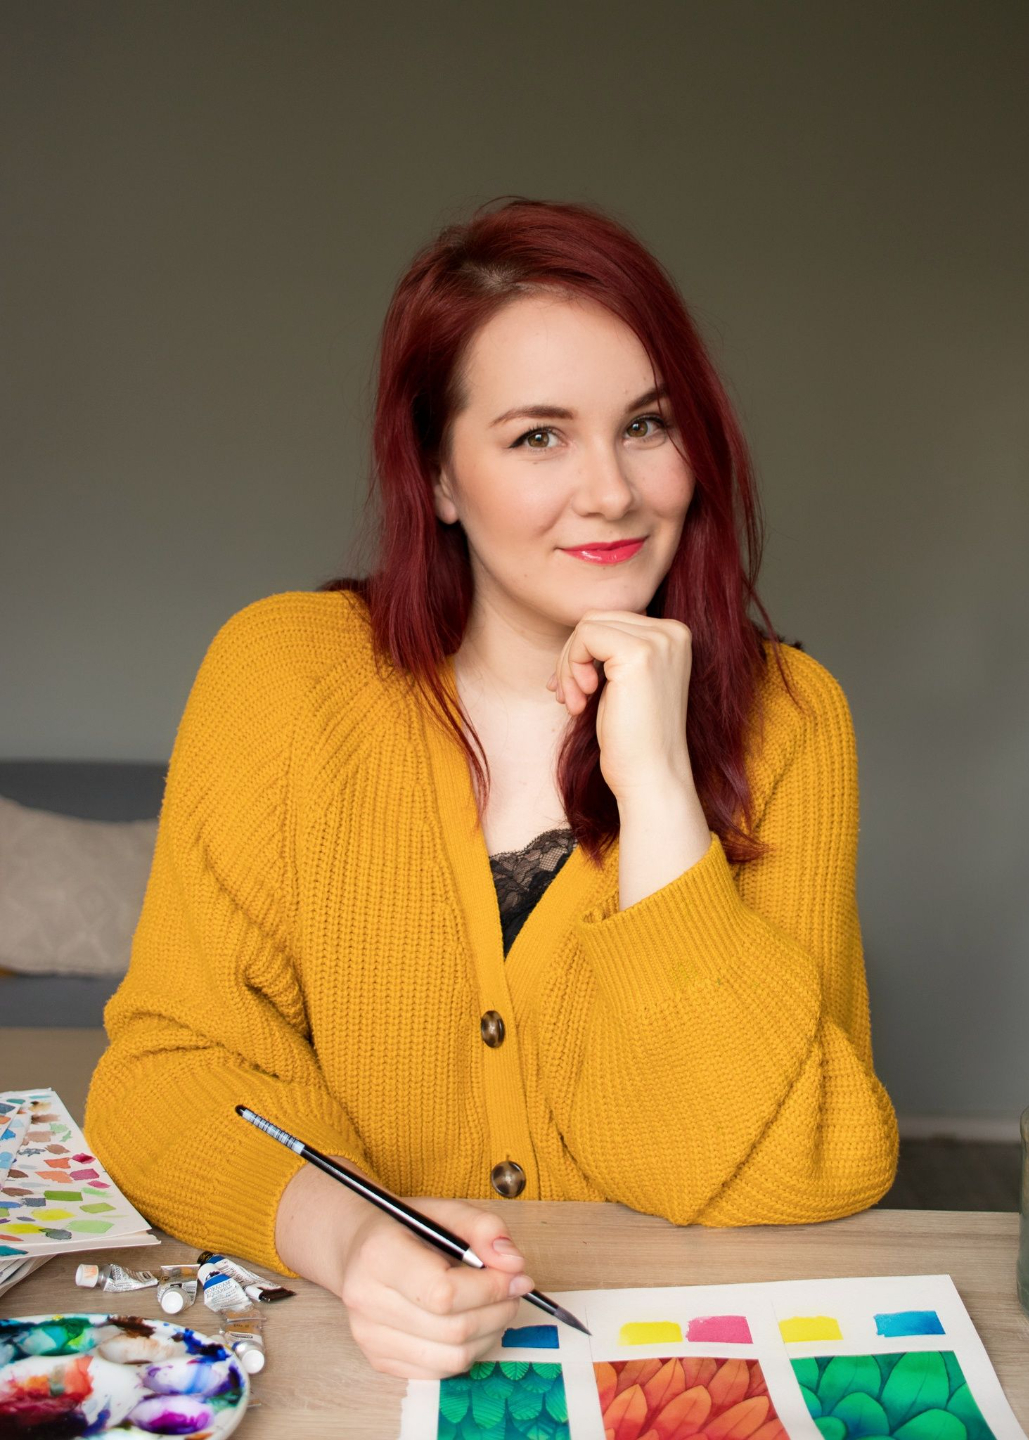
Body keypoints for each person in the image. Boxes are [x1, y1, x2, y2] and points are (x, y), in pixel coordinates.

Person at [86, 195, 898, 1380]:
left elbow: (804, 1164)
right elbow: (165, 1079)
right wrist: (355, 1239)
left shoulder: (792, 721)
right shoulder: (280, 678)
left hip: (667, 1371)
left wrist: (659, 790)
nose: (611, 492)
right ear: (439, 476)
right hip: (355, 1363)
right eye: (538, 438)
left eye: (647, 425)